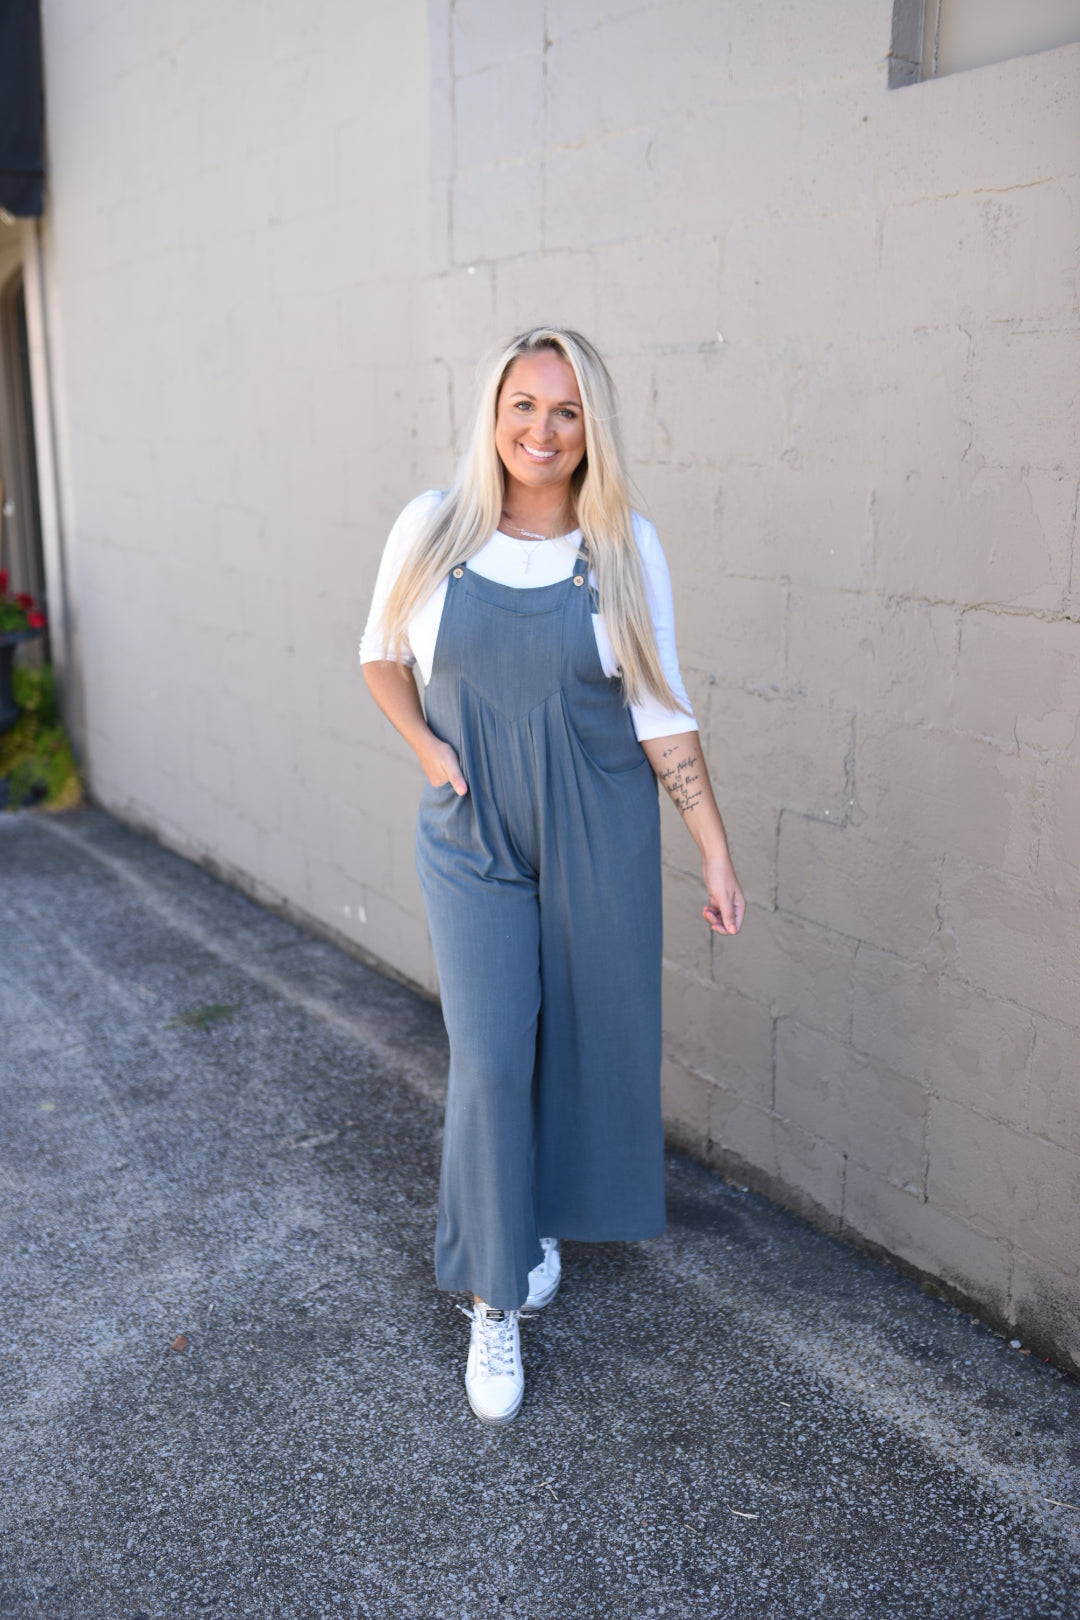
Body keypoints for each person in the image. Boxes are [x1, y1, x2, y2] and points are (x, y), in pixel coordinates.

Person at [361, 327, 744, 1424]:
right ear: (494, 414)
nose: (543, 429)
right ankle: (494, 1301)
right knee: (489, 1056)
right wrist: (428, 751)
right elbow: (379, 653)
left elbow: (660, 708)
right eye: (524, 405)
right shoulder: (433, 526)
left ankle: (527, 1226)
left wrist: (714, 844)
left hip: (595, 823)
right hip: (472, 831)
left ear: (591, 428)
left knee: (584, 1039)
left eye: (566, 410)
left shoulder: (623, 545)